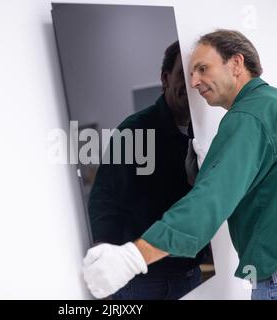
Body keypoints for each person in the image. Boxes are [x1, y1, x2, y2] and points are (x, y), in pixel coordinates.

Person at [82, 29, 277, 300]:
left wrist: (131, 257)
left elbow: (208, 203)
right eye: (188, 74)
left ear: (236, 63)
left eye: (202, 69)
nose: (194, 82)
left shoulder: (246, 118)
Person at [86, 41, 212, 300]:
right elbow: (105, 201)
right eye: (183, 75)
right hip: (145, 281)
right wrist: (107, 266)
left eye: (198, 76)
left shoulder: (200, 132)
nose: (191, 85)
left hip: (189, 272)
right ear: (165, 78)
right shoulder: (135, 132)